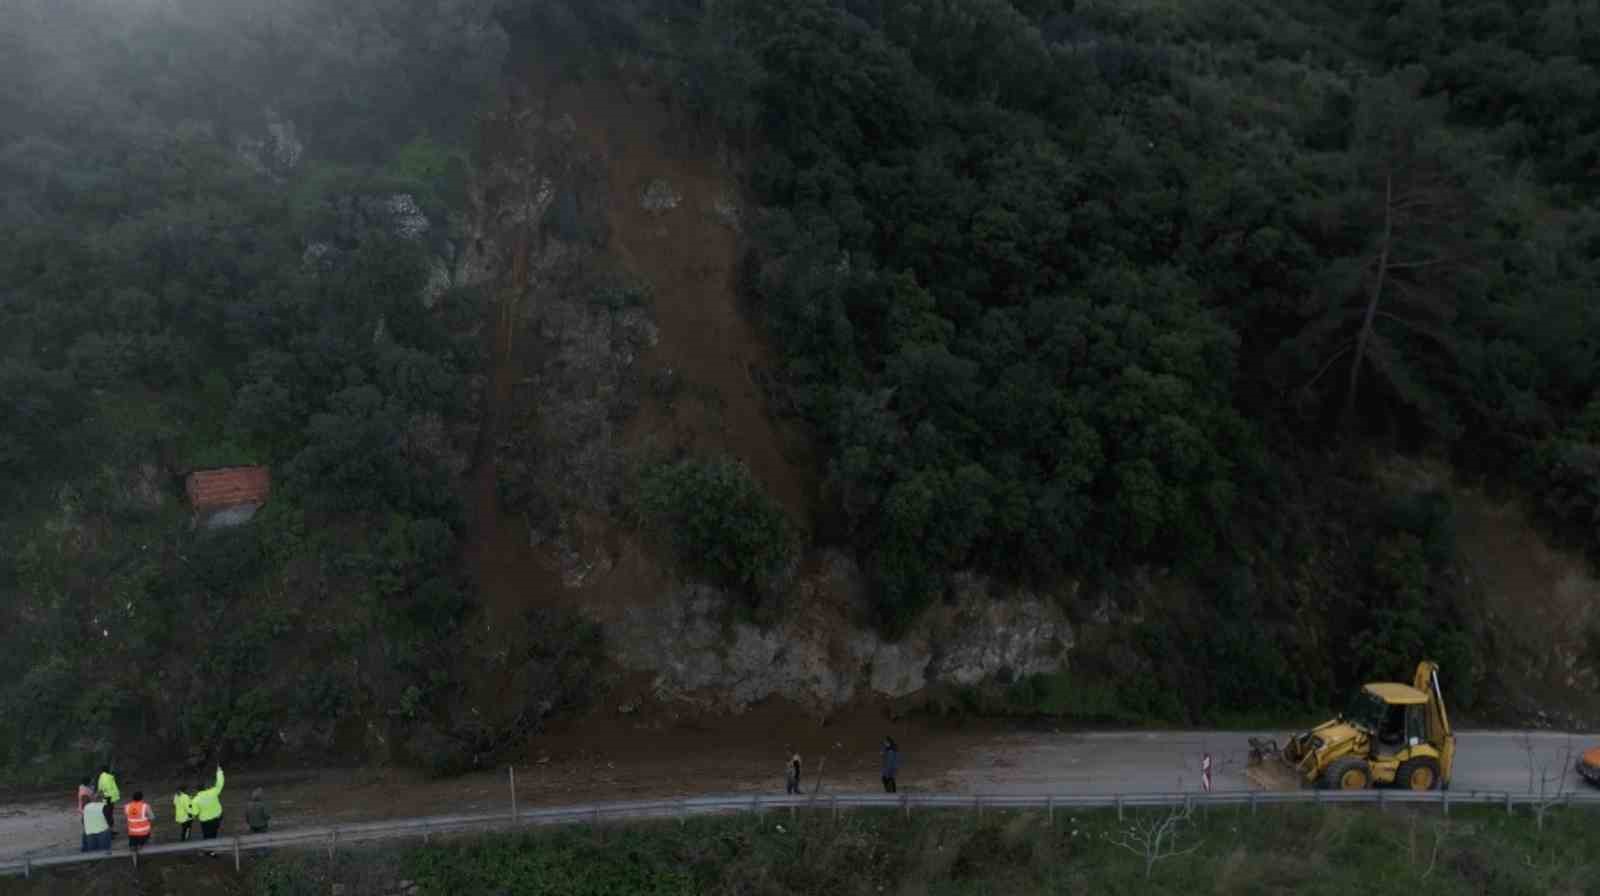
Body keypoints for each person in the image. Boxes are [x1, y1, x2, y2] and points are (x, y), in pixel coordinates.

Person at [191, 765, 225, 840]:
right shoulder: (213, 792)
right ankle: (214, 843)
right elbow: (220, 784)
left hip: (205, 821)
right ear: (205, 787)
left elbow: (195, 812)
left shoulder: (195, 800)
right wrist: (219, 772)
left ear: (197, 790)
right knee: (214, 833)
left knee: (207, 836)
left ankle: (209, 846)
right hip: (217, 817)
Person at [96, 765, 120, 836]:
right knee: (109, 814)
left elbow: (100, 789)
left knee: (107, 814)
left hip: (105, 798)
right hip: (110, 798)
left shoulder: (101, 777)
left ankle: (109, 832)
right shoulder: (110, 777)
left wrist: (98, 795)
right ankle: (110, 832)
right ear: (108, 770)